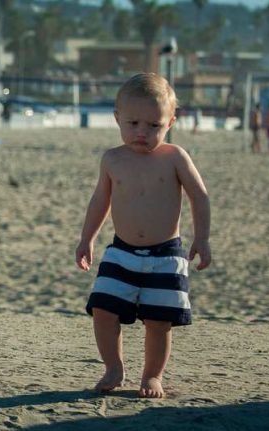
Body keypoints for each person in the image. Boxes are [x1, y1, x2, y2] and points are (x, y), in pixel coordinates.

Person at [74, 73, 211, 399]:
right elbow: (100, 201)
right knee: (103, 309)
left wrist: (202, 238)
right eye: (133, 123)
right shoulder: (113, 159)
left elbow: (199, 196)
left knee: (158, 321)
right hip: (121, 252)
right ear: (117, 118)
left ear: (171, 122)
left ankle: (152, 376)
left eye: (154, 125)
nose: (142, 132)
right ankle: (113, 367)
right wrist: (86, 238)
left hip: (166, 255)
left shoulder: (175, 157)